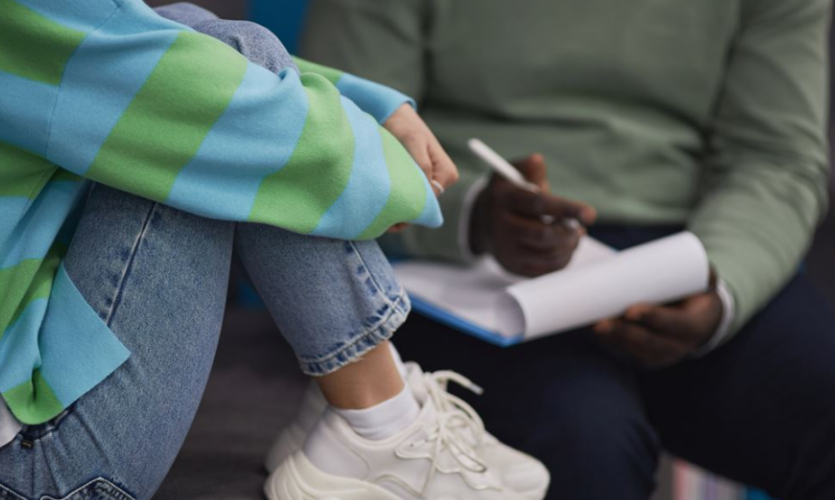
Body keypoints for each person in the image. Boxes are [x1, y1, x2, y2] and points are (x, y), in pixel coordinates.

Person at [0, 2, 547, 499]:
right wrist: (405, 181)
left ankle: (372, 419)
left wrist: (369, 105)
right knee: (219, 127)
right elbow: (218, 102)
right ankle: (379, 425)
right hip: (8, 475)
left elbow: (141, 32)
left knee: (227, 64)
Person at [298, 0, 835, 498]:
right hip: (456, 255)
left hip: (699, 247)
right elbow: (339, 132)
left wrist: (723, 283)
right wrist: (469, 212)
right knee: (581, 447)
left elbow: (776, 155)